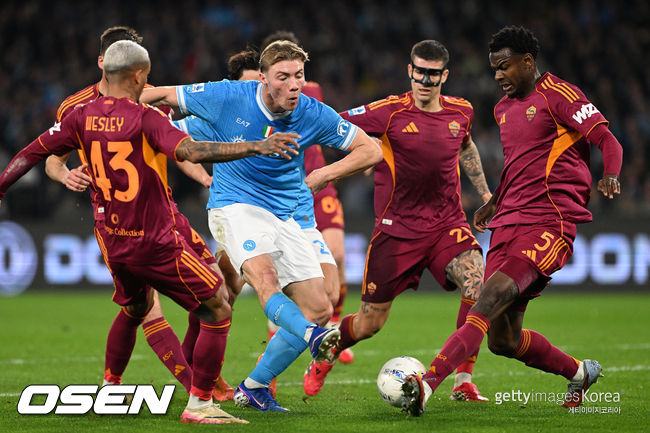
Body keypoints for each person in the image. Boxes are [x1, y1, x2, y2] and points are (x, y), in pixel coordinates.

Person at [0, 40, 303, 424]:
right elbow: (192, 151)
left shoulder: (79, 116)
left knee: (136, 308)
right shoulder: (146, 117)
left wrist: (1, 188)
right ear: (140, 75)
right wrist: (258, 146)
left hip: (112, 240)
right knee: (217, 306)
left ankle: (112, 386)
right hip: (154, 240)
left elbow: (31, 153)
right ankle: (200, 403)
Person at [140, 40, 382, 412]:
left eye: (299, 75)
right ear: (264, 79)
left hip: (286, 215)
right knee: (262, 278)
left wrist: (325, 174)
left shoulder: (313, 112)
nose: (294, 85)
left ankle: (254, 386)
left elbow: (371, 150)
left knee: (320, 307)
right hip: (234, 206)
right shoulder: (225, 96)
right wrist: (106, 104)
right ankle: (309, 338)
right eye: (283, 77)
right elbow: (155, 95)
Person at [401, 25, 622, 417]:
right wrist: (494, 202)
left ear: (528, 62)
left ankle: (427, 383)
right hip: (507, 223)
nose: (498, 75)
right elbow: (519, 165)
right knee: (503, 340)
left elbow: (607, 139)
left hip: (549, 222)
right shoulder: (502, 110)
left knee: (487, 299)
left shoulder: (560, 95)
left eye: (505, 66)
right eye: (494, 69)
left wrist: (611, 174)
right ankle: (579, 373)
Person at [43, 26, 235, 402]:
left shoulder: (148, 98)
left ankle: (202, 379)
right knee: (145, 308)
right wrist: (65, 175)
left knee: (217, 288)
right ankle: (195, 391)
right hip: (118, 220)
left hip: (164, 210)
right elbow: (52, 159)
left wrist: (202, 176)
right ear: (103, 61)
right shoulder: (75, 107)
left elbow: (176, 146)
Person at [303, 40, 492, 401]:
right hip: (397, 232)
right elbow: (334, 124)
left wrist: (485, 194)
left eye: (432, 74)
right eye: (419, 71)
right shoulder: (388, 111)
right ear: (410, 70)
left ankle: (462, 381)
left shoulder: (462, 111)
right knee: (368, 324)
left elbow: (466, 145)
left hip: (447, 224)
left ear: (444, 76)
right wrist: (359, 153)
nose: (424, 80)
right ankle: (327, 353)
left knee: (477, 285)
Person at [259, 30, 355, 368]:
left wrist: (362, 145)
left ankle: (333, 330)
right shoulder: (259, 96)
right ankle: (275, 341)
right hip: (281, 189)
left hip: (318, 182)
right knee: (276, 275)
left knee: (338, 254)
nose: (293, 83)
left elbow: (337, 120)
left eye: (297, 72)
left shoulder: (311, 91)